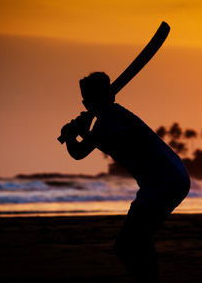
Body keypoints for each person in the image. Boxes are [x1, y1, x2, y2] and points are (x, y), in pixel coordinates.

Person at [61, 71, 190, 282]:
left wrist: (78, 135)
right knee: (136, 239)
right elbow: (91, 149)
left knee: (125, 244)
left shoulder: (112, 118)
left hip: (163, 182)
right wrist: (77, 135)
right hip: (172, 177)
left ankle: (147, 279)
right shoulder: (108, 119)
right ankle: (149, 278)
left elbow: (101, 145)